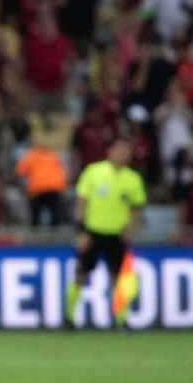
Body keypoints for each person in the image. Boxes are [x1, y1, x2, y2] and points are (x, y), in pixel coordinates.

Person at [67, 136, 147, 328]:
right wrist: (81, 231)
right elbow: (81, 203)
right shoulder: (93, 172)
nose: (123, 154)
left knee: (119, 278)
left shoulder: (133, 179)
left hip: (117, 235)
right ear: (109, 152)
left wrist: (131, 230)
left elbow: (137, 209)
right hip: (93, 232)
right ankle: (69, 318)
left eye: (126, 151)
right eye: (119, 150)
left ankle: (121, 319)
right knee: (81, 275)